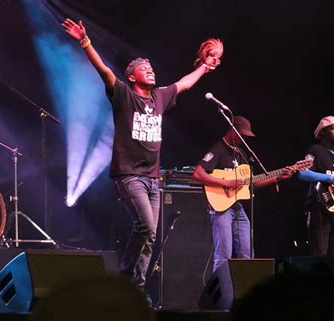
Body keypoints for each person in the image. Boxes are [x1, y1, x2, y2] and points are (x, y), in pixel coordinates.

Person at [61, 18, 223, 291]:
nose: (150, 70)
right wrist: (85, 41)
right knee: (146, 227)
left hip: (153, 180)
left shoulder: (159, 97)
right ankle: (125, 278)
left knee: (150, 237)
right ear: (132, 77)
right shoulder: (124, 95)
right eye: (143, 69)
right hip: (129, 176)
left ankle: (135, 290)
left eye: (150, 68)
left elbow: (184, 83)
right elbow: (103, 70)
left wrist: (205, 67)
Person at [192, 116, 294, 272]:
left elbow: (251, 183)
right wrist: (226, 183)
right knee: (224, 255)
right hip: (221, 208)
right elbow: (198, 174)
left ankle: (244, 291)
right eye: (242, 135)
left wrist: (277, 178)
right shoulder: (218, 148)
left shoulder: (242, 153)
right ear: (233, 130)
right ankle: (219, 294)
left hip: (237, 207)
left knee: (247, 254)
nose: (244, 138)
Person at [297, 115, 334, 256]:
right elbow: (302, 173)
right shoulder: (315, 150)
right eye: (333, 128)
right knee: (320, 254)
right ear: (322, 132)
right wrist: (328, 178)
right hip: (319, 207)